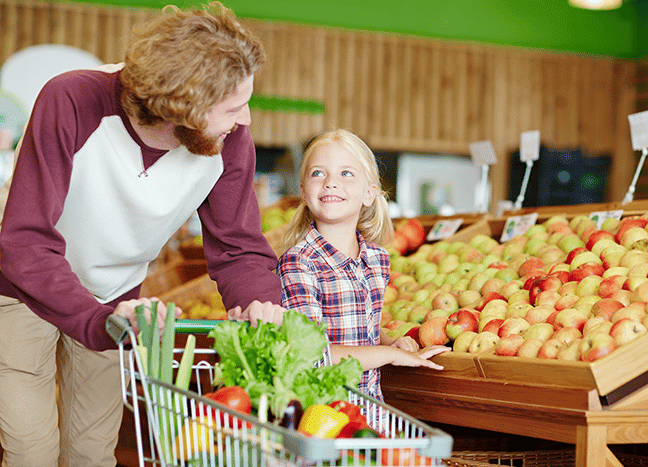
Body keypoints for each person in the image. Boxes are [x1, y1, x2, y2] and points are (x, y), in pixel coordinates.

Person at [0, 3, 286, 465]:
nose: (246, 118)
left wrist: (259, 301)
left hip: (117, 298)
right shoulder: (71, 100)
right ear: (184, 107)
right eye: (233, 106)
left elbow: (238, 246)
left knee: (91, 452)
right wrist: (93, 321)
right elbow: (26, 241)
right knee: (31, 450)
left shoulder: (230, 140)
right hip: (24, 288)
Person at [277, 129, 450, 401]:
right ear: (303, 192)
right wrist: (390, 355)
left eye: (346, 173)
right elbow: (312, 355)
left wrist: (392, 342)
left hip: (369, 411)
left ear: (369, 193)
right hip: (321, 416)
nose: (331, 182)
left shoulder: (376, 260)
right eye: (318, 173)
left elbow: (361, 330)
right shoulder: (298, 263)